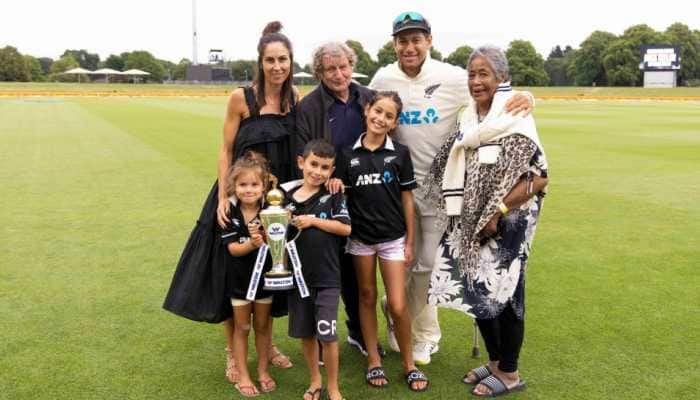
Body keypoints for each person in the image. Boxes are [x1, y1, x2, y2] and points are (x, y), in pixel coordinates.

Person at [369, 11, 534, 365]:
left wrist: (527, 96)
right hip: (394, 187)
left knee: (428, 264)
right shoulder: (383, 76)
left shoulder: (451, 76)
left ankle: (414, 326)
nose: (409, 46)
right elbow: (367, 112)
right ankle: (407, 321)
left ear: (429, 40)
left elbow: (491, 89)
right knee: (406, 263)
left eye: (416, 39)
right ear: (394, 43)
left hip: (439, 188)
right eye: (402, 40)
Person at [162, 21, 296, 384]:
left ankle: (267, 348)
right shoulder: (241, 98)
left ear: (291, 61)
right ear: (260, 61)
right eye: (271, 60)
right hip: (236, 195)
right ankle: (233, 357)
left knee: (271, 269)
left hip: (273, 199)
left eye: (283, 59)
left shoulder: (293, 99)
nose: (277, 67)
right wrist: (225, 195)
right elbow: (225, 150)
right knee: (230, 274)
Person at [423, 45, 549, 397]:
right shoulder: (469, 119)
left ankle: (510, 371)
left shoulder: (516, 116)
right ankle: (494, 362)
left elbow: (538, 178)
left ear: (502, 78)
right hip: (469, 224)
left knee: (505, 297)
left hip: (507, 228)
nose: (476, 81)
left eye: (484, 74)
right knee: (475, 293)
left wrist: (497, 211)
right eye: (472, 74)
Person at [336, 91, 428, 392]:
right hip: (361, 239)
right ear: (367, 111)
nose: (381, 119)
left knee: (398, 305)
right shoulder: (347, 154)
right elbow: (344, 199)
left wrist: (410, 242)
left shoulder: (399, 154)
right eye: (377, 111)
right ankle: (373, 359)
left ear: (394, 122)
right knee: (366, 297)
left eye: (389, 116)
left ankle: (408, 364)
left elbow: (407, 201)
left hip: (393, 239)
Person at [296, 41, 383, 358]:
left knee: (358, 272)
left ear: (352, 65)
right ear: (319, 71)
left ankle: (360, 334)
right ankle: (320, 336)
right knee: (326, 269)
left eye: (343, 66)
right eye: (330, 68)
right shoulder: (308, 107)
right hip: (326, 199)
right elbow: (306, 155)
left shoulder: (369, 97)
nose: (338, 73)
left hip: (366, 195)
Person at [281, 140, 351, 400]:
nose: (317, 172)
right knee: (307, 334)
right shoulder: (284, 198)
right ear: (301, 163)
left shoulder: (333, 195)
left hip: (327, 278)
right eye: (313, 164)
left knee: (327, 335)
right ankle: (315, 381)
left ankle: (333, 388)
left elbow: (345, 228)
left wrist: (312, 221)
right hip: (297, 280)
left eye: (324, 167)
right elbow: (275, 235)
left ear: (331, 171)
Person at [220, 152, 277, 397]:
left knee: (263, 326)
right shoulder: (229, 213)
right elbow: (233, 249)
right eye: (243, 185)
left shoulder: (272, 210)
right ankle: (243, 375)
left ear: (263, 186)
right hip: (239, 283)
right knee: (242, 327)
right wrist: (252, 244)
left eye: (254, 184)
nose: (249, 190)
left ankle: (263, 371)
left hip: (265, 282)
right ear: (235, 186)